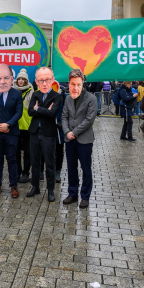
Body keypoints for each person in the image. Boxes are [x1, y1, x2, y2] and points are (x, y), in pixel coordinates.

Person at [61, 69, 97, 208]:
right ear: (69, 84)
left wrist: (73, 132)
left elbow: (89, 120)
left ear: (83, 84)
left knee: (86, 168)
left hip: (84, 140)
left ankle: (85, 196)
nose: (75, 87)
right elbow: (64, 117)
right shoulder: (68, 98)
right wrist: (66, 132)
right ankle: (72, 193)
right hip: (70, 140)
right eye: (72, 84)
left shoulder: (91, 99)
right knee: (71, 168)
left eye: (78, 84)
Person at [0, 63, 23, 198]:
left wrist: (8, 125)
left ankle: (14, 186)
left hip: (11, 132)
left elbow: (19, 113)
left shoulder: (17, 94)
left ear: (11, 79)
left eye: (6, 78)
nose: (3, 81)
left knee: (12, 159)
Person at [26, 67, 62, 202]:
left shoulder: (57, 96)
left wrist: (38, 109)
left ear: (52, 80)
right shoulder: (34, 94)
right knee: (34, 161)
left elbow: (53, 114)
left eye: (47, 80)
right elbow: (30, 111)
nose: (44, 83)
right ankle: (35, 187)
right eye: (41, 80)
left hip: (48, 133)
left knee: (50, 162)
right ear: (36, 81)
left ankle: (51, 190)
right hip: (34, 132)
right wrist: (44, 110)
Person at [13, 69, 34, 183]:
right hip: (15, 125)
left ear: (26, 81)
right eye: (19, 79)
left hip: (27, 126)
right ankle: (17, 171)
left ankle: (26, 173)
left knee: (27, 151)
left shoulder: (31, 91)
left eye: (23, 79)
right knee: (15, 151)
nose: (21, 81)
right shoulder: (13, 91)